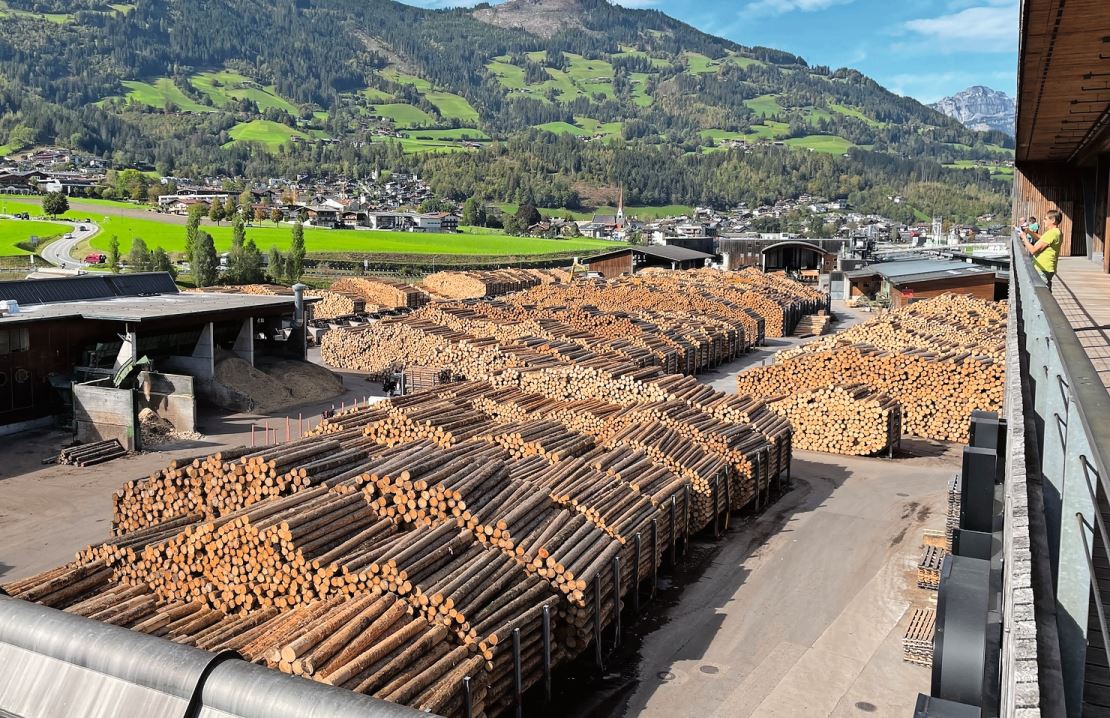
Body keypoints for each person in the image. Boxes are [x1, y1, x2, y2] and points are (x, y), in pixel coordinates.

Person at [1023, 209, 1062, 290]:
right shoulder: (1056, 232)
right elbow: (1042, 239)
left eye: (1046, 219)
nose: (1043, 221)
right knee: (1045, 292)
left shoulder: (1052, 233)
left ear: (1053, 220)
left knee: (1042, 293)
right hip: (1047, 268)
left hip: (1043, 268)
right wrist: (1029, 232)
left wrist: (1024, 238)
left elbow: (1033, 250)